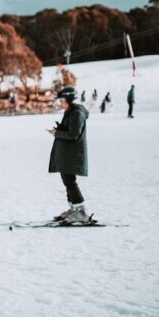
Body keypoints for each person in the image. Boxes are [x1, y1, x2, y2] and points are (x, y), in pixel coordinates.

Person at [48, 87, 90, 224]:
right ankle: (74, 209)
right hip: (68, 153)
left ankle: (81, 211)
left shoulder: (77, 113)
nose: (61, 103)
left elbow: (74, 134)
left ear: (69, 100)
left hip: (73, 154)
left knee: (70, 182)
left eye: (62, 100)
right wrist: (60, 129)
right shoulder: (70, 112)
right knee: (67, 181)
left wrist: (57, 133)